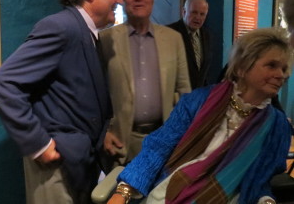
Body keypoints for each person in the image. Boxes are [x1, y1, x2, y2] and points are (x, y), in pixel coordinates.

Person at [107, 27, 293, 204]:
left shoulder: (277, 127)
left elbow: (260, 181)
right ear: (242, 68)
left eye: (284, 69)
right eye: (272, 65)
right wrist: (123, 191)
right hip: (172, 191)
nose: (281, 75)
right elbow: (158, 147)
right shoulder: (198, 101)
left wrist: (266, 200)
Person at [0, 0, 122, 204]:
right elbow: (4, 82)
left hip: (78, 160)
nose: (120, 0)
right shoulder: (61, 27)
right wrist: (39, 144)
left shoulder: (87, 33)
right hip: (57, 166)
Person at [100, 0, 191, 172]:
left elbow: (185, 91)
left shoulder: (173, 38)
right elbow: (93, 93)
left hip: (164, 140)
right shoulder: (105, 39)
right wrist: (103, 132)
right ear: (122, 0)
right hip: (121, 143)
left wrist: (182, 132)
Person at [168, 0, 211, 89]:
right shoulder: (169, 33)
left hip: (198, 97)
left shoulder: (207, 35)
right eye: (194, 12)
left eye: (202, 14)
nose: (198, 18)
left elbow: (203, 71)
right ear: (184, 12)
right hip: (176, 98)